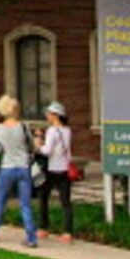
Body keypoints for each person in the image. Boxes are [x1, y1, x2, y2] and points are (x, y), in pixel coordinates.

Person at [0, 94, 39, 247]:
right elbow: (30, 146)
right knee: (25, 204)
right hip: (23, 167)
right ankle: (31, 237)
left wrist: (3, 147)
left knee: (0, 202)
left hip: (7, 168)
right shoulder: (24, 126)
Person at [37, 101, 77, 243]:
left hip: (52, 169)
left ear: (55, 115)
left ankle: (43, 228)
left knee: (43, 198)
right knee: (65, 202)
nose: (47, 116)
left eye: (49, 113)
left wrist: (38, 145)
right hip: (65, 169)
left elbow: (47, 151)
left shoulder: (52, 131)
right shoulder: (68, 130)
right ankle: (68, 232)